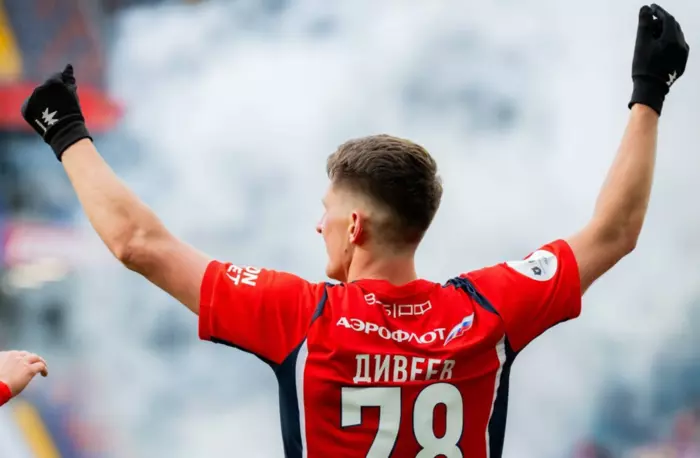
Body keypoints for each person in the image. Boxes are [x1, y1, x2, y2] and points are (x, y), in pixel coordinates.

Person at [18, 4, 689, 457]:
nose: (319, 225)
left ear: (357, 225)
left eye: (328, 212)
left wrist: (64, 129)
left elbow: (138, 244)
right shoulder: (488, 309)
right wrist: (649, 89)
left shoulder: (300, 316)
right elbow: (615, 231)